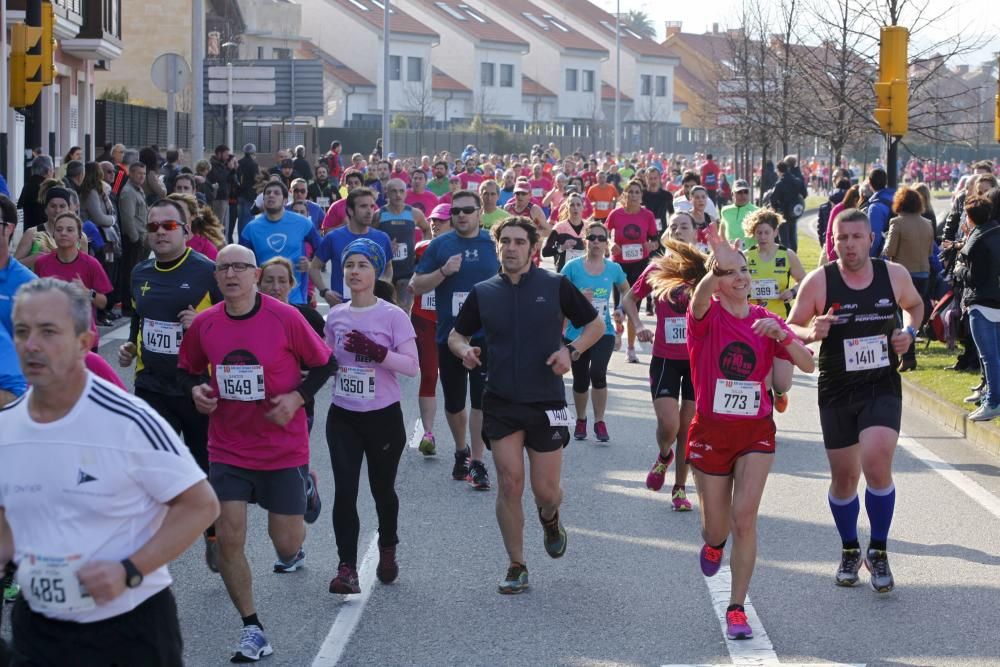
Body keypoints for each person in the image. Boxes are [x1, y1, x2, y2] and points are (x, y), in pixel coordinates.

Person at [1, 278, 219, 666]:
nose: (31, 344)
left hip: (128, 631)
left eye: (48, 332)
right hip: (38, 630)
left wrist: (129, 570)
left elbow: (200, 505)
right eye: (21, 332)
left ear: (85, 342)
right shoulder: (6, 428)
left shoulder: (129, 421)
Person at [177, 244, 335, 662]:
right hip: (228, 446)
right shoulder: (205, 324)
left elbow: (324, 364)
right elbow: (188, 368)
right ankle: (252, 628)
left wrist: (298, 399)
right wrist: (196, 390)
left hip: (282, 448)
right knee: (229, 539)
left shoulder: (286, 318)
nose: (231, 274)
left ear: (255, 274)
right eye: (223, 268)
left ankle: (306, 489)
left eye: (239, 268)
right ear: (217, 277)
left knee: (285, 547)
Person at [449, 216, 603, 594]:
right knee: (509, 482)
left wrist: (572, 351)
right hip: (500, 399)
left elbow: (595, 325)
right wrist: (464, 350)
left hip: (547, 400)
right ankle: (516, 564)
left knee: (546, 491)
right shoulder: (484, 291)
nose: (512, 248)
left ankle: (550, 519)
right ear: (497, 246)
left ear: (533, 249)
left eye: (520, 242)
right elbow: (456, 334)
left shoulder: (554, 285)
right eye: (506, 241)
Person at [681, 226, 815, 639]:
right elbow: (701, 296)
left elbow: (808, 364)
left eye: (743, 270)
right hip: (711, 432)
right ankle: (713, 543)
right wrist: (716, 263)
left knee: (745, 518)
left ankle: (736, 608)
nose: (741, 277)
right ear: (717, 282)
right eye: (730, 273)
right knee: (716, 527)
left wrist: (782, 337)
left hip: (755, 432)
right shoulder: (705, 317)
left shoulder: (764, 319)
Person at [787, 208, 923, 594]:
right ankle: (850, 548)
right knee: (845, 479)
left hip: (880, 384)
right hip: (836, 389)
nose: (849, 245)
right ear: (833, 241)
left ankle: (878, 550)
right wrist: (811, 330)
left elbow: (915, 306)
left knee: (877, 459)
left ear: (870, 239)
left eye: (856, 237)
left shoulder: (892, 275)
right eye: (841, 238)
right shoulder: (820, 281)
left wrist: (909, 332)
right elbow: (793, 326)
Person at [118, 198, 223, 569]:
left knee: (202, 468)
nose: (160, 233)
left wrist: (204, 321)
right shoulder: (140, 273)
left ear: (187, 231)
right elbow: (139, 321)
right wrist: (132, 346)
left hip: (197, 387)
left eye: (169, 226)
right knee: (150, 470)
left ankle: (213, 534)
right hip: (151, 385)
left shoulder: (208, 272)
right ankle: (147, 552)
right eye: (153, 227)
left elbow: (232, 324)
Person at [324, 239, 418, 595]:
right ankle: (346, 567)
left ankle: (388, 546)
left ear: (376, 271)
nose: (354, 272)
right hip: (344, 415)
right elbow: (327, 359)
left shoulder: (393, 315)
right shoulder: (336, 315)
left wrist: (377, 352)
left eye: (363, 265)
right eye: (349, 265)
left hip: (382, 417)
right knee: (345, 491)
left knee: (382, 490)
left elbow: (411, 366)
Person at [411, 190, 500, 489]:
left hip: (486, 335)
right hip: (449, 335)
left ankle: (477, 461)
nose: (462, 215)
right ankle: (461, 450)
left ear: (479, 212)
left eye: (467, 210)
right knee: (454, 402)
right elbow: (415, 286)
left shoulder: (494, 243)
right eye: (457, 211)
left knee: (481, 399)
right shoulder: (440, 245)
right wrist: (443, 272)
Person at [622, 213, 701, 511]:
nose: (679, 230)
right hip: (666, 357)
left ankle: (680, 489)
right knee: (668, 426)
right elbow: (629, 299)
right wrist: (638, 323)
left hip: (696, 360)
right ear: (667, 234)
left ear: (695, 233)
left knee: (688, 429)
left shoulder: (704, 268)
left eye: (685, 225)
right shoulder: (657, 267)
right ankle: (664, 454)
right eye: (674, 226)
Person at [560, 220, 628, 443]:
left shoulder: (613, 268)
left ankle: (599, 421)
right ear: (585, 241)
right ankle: (581, 419)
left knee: (598, 374)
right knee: (580, 380)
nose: (596, 242)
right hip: (576, 333)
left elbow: (626, 289)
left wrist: (620, 308)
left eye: (601, 238)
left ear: (607, 243)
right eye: (592, 238)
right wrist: (578, 298)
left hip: (603, 331)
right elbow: (558, 295)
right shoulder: (572, 267)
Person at [33, 213, 113, 350]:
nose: (63, 233)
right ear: (53, 234)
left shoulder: (91, 264)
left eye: (70, 230)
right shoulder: (42, 263)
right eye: (59, 229)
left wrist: (87, 293)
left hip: (83, 340)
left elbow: (103, 302)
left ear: (79, 236)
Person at [952, 195, 1000, 421]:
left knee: (989, 357)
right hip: (995, 299)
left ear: (970, 217)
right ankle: (991, 397)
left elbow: (976, 277)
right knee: (994, 356)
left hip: (982, 302)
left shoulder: (978, 240)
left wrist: (960, 270)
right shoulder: (994, 232)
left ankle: (992, 401)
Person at [409, 204, 451, 456]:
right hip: (424, 319)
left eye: (441, 220)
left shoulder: (463, 252)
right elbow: (409, 281)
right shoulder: (420, 249)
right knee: (428, 376)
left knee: (454, 381)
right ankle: (428, 433)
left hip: (451, 322)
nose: (435, 224)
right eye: (433, 220)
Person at [240, 181, 322, 306]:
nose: (271, 195)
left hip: (296, 298)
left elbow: (322, 250)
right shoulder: (251, 229)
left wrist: (310, 264)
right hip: (263, 298)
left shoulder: (302, 223)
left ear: (285, 201)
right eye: (268, 193)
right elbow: (242, 264)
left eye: (276, 193)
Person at [606, 178, 659, 363]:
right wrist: (612, 244)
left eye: (638, 192)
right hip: (619, 265)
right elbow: (605, 234)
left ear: (641, 195)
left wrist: (651, 245)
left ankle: (630, 348)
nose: (634, 195)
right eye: (631, 192)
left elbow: (655, 240)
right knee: (618, 304)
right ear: (625, 194)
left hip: (639, 263)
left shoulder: (648, 216)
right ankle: (618, 327)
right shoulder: (615, 214)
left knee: (633, 307)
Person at [882, 187, 935, 372]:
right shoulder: (927, 223)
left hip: (902, 274)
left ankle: (907, 355)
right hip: (923, 273)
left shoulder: (897, 222)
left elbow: (889, 250)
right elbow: (929, 251)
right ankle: (909, 353)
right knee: (914, 313)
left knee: (900, 315)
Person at [311, 187, 393, 305]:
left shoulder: (382, 238)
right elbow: (314, 267)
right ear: (350, 211)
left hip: (373, 307)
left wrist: (382, 286)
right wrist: (325, 291)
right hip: (341, 307)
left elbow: (388, 267)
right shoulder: (333, 237)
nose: (370, 211)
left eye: (371, 206)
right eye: (363, 206)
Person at [374, 178, 431, 312]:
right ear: (386, 193)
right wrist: (384, 248)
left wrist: (422, 250)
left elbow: (427, 230)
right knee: (385, 309)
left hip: (407, 270)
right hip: (385, 270)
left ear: (406, 193)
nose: (398, 195)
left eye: (401, 191)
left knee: (404, 308)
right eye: (394, 191)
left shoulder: (414, 213)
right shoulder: (379, 215)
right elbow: (370, 238)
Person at [116, 162, 149, 316]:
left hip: (141, 237)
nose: (142, 176)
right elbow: (128, 218)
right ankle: (128, 306)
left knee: (137, 272)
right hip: (133, 239)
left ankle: (134, 303)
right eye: (139, 173)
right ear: (131, 173)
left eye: (144, 173)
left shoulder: (138, 190)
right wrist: (135, 238)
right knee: (130, 272)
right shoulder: (128, 192)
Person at [542, 193, 587, 272]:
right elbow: (545, 252)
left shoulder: (588, 227)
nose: (575, 208)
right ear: (567, 207)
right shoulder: (559, 227)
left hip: (583, 273)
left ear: (583, 207)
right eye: (572, 205)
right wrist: (562, 247)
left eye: (578, 205)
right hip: (564, 272)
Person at [768, 161, 807, 252]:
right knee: (793, 237)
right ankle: (794, 256)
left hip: (783, 213)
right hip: (794, 212)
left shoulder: (780, 183)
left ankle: (786, 258)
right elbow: (804, 194)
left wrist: (776, 208)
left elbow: (773, 199)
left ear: (778, 171)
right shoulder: (797, 181)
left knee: (784, 239)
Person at [720, 179, 757, 245]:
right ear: (732, 194)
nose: (743, 195)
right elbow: (721, 233)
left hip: (751, 252)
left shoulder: (757, 211)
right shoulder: (725, 211)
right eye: (739, 192)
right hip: (731, 252)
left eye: (746, 192)